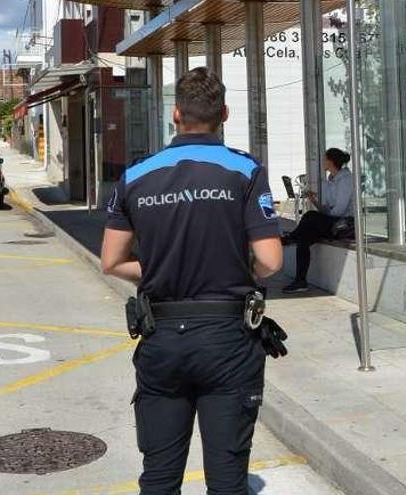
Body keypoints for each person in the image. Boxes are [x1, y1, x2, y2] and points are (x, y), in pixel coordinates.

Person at [100, 67, 283, 494]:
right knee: (227, 480)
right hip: (227, 341)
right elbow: (270, 261)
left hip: (162, 339)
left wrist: (164, 266)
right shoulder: (245, 170)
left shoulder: (135, 175)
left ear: (176, 115)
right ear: (225, 114)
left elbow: (111, 260)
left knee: (160, 478)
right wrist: (231, 267)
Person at [281, 148, 354, 294]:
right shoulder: (330, 181)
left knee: (310, 216)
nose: (322, 162)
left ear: (332, 161)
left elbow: (339, 210)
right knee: (303, 240)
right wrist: (314, 200)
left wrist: (322, 215)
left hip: (345, 225)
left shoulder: (346, 180)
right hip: (332, 224)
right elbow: (326, 211)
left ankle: (290, 237)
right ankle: (300, 281)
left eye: (325, 159)